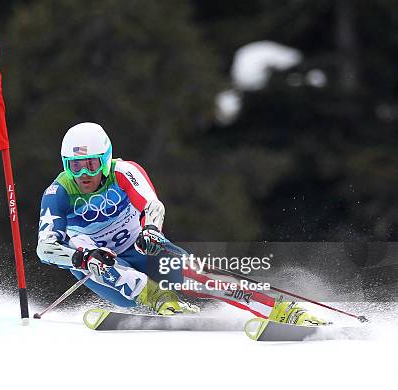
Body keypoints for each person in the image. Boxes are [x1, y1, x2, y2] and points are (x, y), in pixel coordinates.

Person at [36, 122, 326, 325]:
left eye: (92, 163)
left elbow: (152, 205)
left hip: (141, 249)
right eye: (75, 165)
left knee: (201, 277)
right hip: (107, 272)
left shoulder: (124, 172)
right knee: (86, 250)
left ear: (106, 159)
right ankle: (158, 298)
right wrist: (81, 256)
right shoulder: (58, 193)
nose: (84, 173)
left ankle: (281, 310)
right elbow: (45, 248)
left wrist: (151, 230)